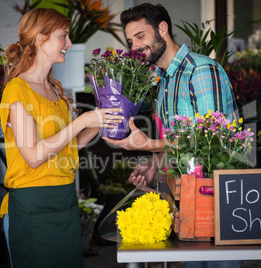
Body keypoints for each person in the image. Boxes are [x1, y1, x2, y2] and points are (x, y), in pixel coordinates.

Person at [104, 3, 242, 268]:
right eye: (131, 40)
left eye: (141, 36)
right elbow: (181, 139)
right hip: (191, 195)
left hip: (221, 197)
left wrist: (148, 144)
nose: (135, 47)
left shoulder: (199, 70)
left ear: (163, 29)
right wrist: (155, 162)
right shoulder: (165, 79)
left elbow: (209, 140)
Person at [0, 8, 123, 268]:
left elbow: (69, 145)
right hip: (33, 204)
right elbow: (32, 156)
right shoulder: (17, 90)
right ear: (40, 40)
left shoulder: (54, 89)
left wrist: (101, 123)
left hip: (64, 201)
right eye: (63, 36)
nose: (69, 44)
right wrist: (80, 122)